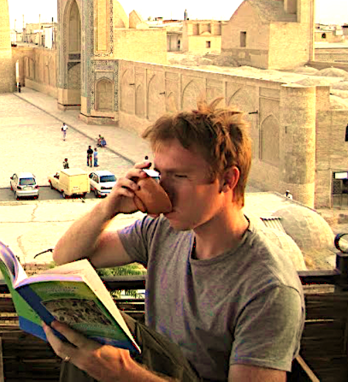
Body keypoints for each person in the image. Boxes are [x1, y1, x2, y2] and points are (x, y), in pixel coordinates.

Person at [46, 99, 305, 382]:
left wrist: (122, 374)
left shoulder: (268, 288)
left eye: (179, 176)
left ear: (227, 180)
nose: (163, 190)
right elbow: (67, 257)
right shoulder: (164, 230)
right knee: (88, 331)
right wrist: (109, 206)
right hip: (161, 367)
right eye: (159, 175)